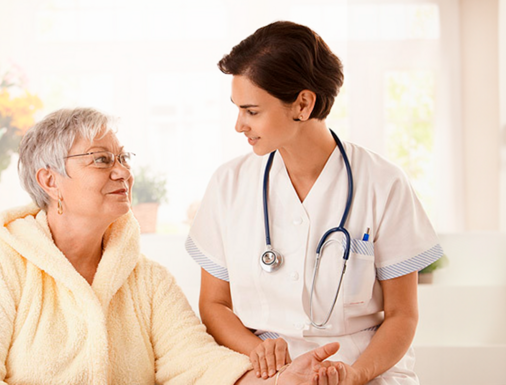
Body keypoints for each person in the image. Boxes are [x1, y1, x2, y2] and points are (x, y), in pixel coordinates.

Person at [0, 107, 346, 385]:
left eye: (123, 157)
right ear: (50, 181)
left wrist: (274, 382)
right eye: (100, 160)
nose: (122, 172)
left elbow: (196, 364)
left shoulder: (147, 280)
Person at [187, 21, 443, 385]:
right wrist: (255, 351)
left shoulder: (383, 183)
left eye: (252, 111)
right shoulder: (229, 184)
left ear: (303, 104)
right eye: (238, 109)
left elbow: (403, 315)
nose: (239, 125)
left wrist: (357, 374)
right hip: (266, 371)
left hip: (361, 367)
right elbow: (213, 305)